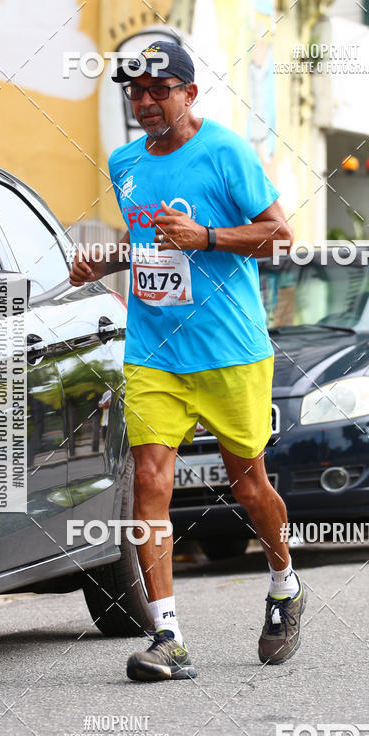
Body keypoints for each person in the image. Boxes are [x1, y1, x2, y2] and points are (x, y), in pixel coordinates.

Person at [70, 40, 306, 682]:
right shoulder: (125, 163)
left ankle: (284, 581)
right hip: (153, 348)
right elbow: (145, 242)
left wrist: (205, 237)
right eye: (135, 93)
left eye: (159, 90)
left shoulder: (225, 152)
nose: (145, 103)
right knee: (149, 481)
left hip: (230, 350)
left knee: (248, 486)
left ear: (189, 93)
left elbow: (280, 235)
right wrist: (107, 259)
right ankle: (167, 634)